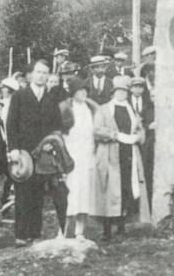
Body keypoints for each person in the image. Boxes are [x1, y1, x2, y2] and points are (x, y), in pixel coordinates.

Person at [7, 59, 65, 246]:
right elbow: (11, 124)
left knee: (38, 192)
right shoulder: (20, 96)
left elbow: (56, 125)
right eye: (39, 72)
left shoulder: (51, 98)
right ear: (31, 74)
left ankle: (34, 231)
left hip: (44, 152)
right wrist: (13, 149)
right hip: (24, 152)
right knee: (24, 193)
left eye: (45, 73)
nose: (42, 76)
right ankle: (21, 235)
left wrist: (51, 144)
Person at [92, 76, 150, 241]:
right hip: (110, 154)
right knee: (109, 191)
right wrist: (115, 135)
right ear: (113, 93)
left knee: (126, 189)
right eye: (118, 91)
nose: (121, 94)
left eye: (124, 91)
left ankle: (122, 226)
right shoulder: (104, 110)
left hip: (129, 154)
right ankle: (107, 229)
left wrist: (137, 137)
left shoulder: (132, 110)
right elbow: (96, 131)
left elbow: (140, 129)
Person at [60, 77, 98, 240]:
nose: (83, 93)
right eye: (80, 90)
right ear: (73, 92)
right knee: (69, 193)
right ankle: (62, 231)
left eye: (85, 90)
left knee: (84, 193)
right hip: (70, 155)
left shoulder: (90, 109)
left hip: (87, 156)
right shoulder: (66, 108)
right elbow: (60, 133)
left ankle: (79, 231)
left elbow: (93, 134)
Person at [129, 77, 155, 208]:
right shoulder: (127, 102)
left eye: (141, 87)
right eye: (135, 87)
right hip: (130, 141)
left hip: (146, 143)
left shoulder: (148, 103)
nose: (138, 89)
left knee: (145, 171)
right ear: (131, 88)